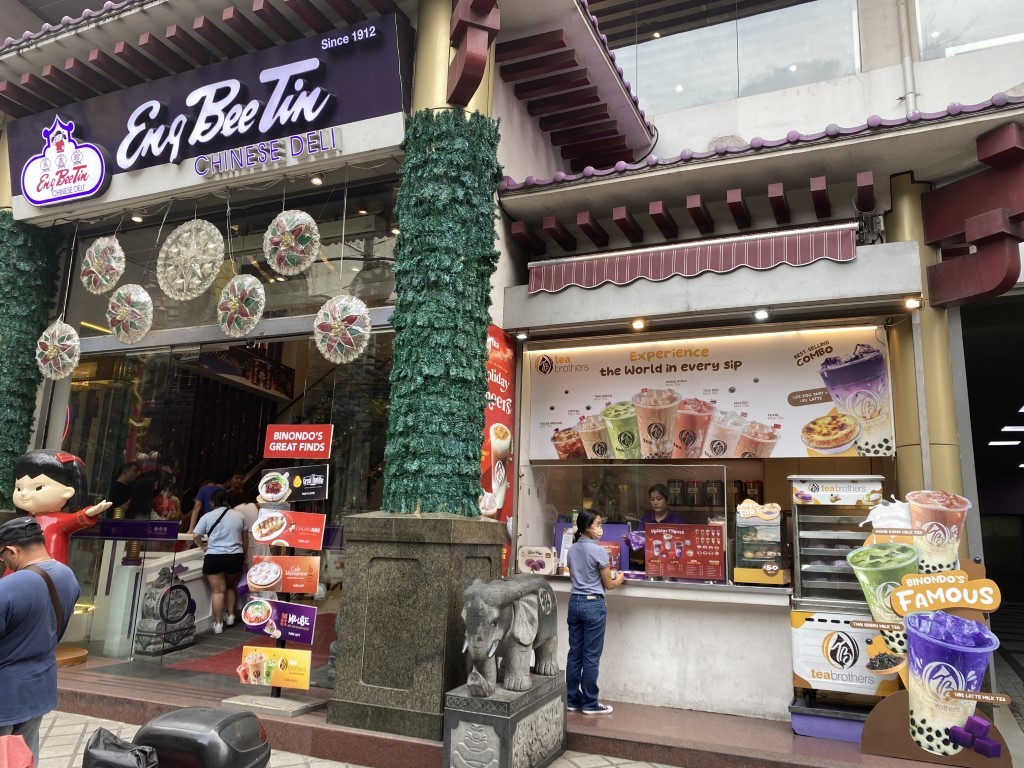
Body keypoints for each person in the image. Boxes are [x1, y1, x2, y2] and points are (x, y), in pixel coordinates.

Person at [0, 517, 81, 765]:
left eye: (3, 556)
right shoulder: (68, 577)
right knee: (23, 757)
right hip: (40, 684)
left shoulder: (8, 587)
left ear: (12, 550)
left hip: (5, 690)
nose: (4, 562)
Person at [565, 509, 624, 716]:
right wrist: (621, 579)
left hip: (575, 603)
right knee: (590, 656)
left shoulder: (571, 550)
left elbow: (574, 577)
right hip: (593, 605)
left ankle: (572, 699)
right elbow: (609, 584)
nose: (601, 528)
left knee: (574, 654)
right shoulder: (599, 551)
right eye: (598, 524)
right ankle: (590, 703)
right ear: (587, 527)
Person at [11, 449, 112, 566]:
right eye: (19, 488)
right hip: (18, 564)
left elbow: (77, 518)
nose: (23, 494)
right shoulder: (24, 520)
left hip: (48, 564)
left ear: (67, 492)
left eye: (38, 488)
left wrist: (88, 512)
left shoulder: (58, 520)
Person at [191, 488, 246, 634]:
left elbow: (195, 535)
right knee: (230, 586)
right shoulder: (239, 516)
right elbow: (244, 539)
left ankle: (218, 624)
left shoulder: (207, 517)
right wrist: (243, 555)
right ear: (227, 501)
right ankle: (231, 617)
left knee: (217, 591)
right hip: (235, 556)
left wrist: (203, 546)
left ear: (212, 502)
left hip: (214, 557)